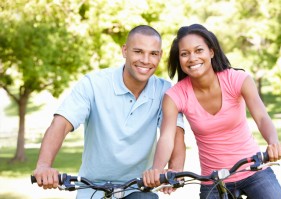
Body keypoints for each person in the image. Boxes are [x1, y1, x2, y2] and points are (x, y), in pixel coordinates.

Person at [33, 25, 185, 199]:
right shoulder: (93, 84)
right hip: (93, 189)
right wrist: (44, 165)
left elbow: (175, 133)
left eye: (153, 54)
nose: (145, 60)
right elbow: (60, 124)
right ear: (124, 51)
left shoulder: (164, 90)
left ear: (160, 55)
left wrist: (174, 170)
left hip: (137, 188)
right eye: (138, 51)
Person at [143, 24, 281, 199]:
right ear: (179, 59)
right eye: (184, 54)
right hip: (213, 181)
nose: (192, 58)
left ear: (211, 51)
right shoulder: (175, 96)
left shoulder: (237, 79)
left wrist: (273, 142)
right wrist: (157, 169)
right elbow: (167, 137)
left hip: (254, 172)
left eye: (198, 50)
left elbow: (262, 117)